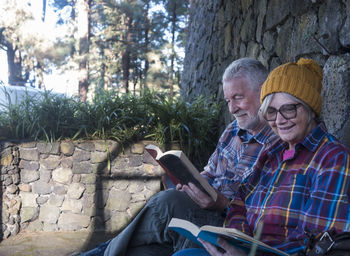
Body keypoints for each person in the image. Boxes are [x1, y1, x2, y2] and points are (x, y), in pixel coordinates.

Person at [79, 58, 278, 256]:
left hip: (229, 224)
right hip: (203, 210)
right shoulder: (232, 130)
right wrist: (190, 182)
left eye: (238, 97)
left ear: (263, 91)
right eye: (228, 100)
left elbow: (263, 213)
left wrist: (222, 203)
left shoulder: (279, 142)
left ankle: (99, 253)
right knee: (145, 248)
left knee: (167, 202)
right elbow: (209, 172)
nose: (232, 108)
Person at [173, 58, 350, 256]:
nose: (279, 120)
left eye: (289, 109)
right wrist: (236, 242)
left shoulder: (332, 157)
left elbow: (317, 242)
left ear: (310, 108)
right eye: (272, 112)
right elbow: (238, 204)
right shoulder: (272, 153)